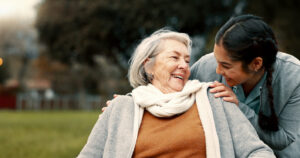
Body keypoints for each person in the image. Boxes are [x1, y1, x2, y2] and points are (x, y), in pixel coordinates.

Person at [78, 29, 275, 158]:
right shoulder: (121, 108)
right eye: (174, 57)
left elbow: (256, 151)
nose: (183, 65)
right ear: (149, 65)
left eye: (187, 60)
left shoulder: (214, 98)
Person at [190, 14, 300, 157]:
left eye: (225, 65)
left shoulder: (294, 77)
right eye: (216, 60)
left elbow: (283, 139)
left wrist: (237, 107)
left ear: (256, 64)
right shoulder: (206, 66)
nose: (217, 70)